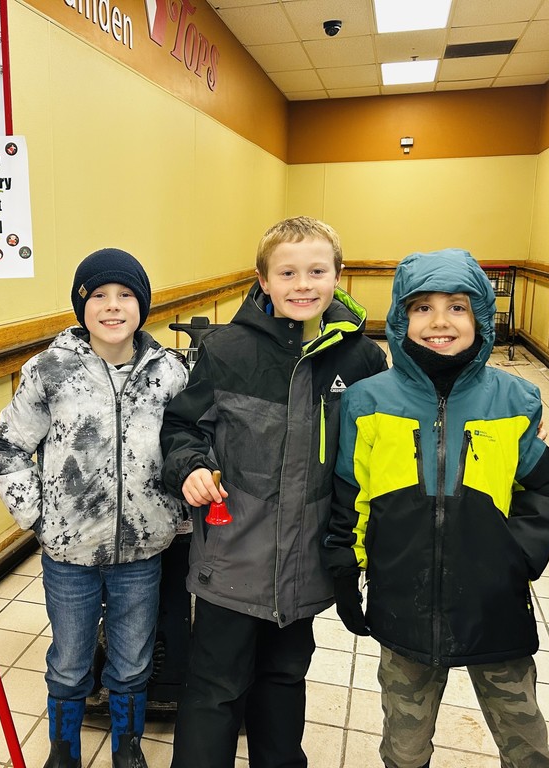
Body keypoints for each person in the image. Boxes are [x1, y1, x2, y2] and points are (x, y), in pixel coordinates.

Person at [323, 248, 549, 768]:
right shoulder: (367, 401)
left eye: (457, 307)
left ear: (480, 316)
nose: (440, 322)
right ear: (399, 318)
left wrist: (517, 557)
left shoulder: (515, 399)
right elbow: (350, 492)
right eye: (422, 308)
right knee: (404, 741)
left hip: (494, 605)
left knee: (525, 738)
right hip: (403, 601)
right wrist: (346, 566)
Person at [161, 216, 388, 768]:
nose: (302, 284)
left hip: (306, 559)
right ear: (263, 280)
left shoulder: (360, 360)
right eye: (287, 272)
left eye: (317, 270)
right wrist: (189, 466)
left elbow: (381, 447)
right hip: (232, 553)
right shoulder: (226, 350)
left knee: (284, 678)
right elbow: (182, 427)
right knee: (216, 685)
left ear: (339, 275)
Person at [0, 247, 188, 768]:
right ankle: (64, 751)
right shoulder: (49, 371)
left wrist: (175, 516)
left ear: (142, 305)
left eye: (125, 295)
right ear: (82, 306)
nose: (113, 306)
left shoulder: (169, 372)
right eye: (98, 295)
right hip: (69, 553)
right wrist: (39, 517)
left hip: (143, 551)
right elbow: (6, 448)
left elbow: (192, 445)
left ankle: (128, 748)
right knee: (71, 662)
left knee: (132, 662)